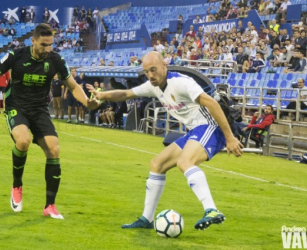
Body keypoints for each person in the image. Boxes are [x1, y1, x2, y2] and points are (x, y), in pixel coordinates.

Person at [86, 51, 243, 230]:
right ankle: (146, 219)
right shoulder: (153, 86)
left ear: (164, 66)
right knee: (157, 164)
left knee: (185, 162)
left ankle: (212, 210)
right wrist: (101, 96)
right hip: (195, 130)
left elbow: (213, 104)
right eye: (146, 72)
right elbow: (126, 94)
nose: (150, 75)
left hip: (210, 127)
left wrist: (230, 137)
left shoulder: (181, 83)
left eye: (153, 70)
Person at [0, 24, 99, 219]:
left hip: (39, 110)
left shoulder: (56, 59)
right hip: (17, 107)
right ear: (33, 41)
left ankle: (50, 205)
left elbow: (73, 85)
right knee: (23, 141)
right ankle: (17, 185)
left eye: (50, 44)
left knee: (54, 148)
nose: (47, 49)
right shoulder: (16, 56)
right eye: (43, 45)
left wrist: (87, 102)